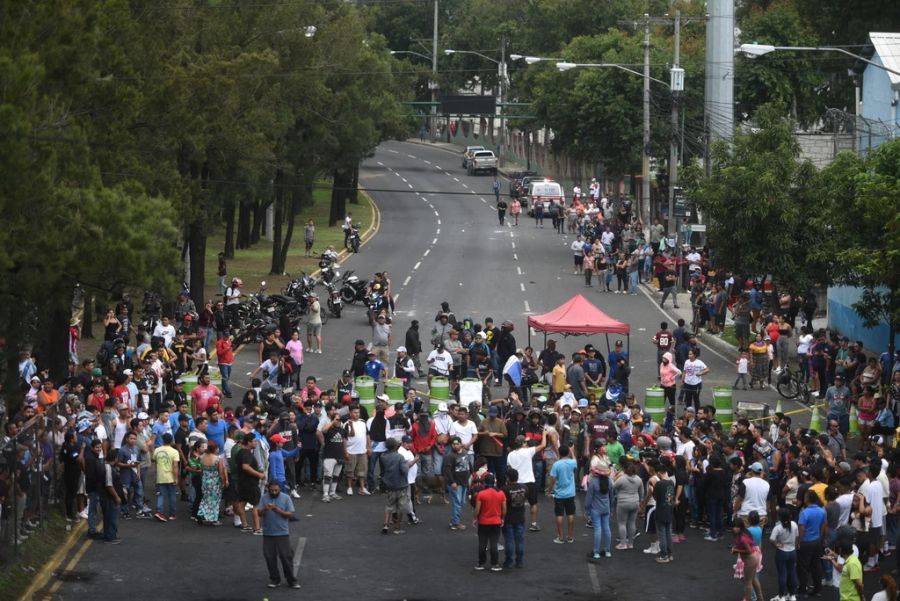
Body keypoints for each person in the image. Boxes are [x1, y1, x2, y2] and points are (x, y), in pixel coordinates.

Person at [258, 481, 301, 589]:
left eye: (276, 490)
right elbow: (259, 513)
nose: (273, 492)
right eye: (271, 490)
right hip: (268, 533)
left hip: (282, 532)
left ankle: (292, 580)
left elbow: (290, 514)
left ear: (279, 489)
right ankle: (275, 579)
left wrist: (278, 510)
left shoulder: (286, 498)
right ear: (268, 489)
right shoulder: (264, 498)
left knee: (286, 557)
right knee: (269, 557)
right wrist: (264, 509)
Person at [473, 472, 506, 572]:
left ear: (484, 482)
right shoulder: (501, 493)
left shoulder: (481, 494)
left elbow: (477, 510)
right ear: (494, 482)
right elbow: (504, 509)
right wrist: (502, 518)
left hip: (483, 522)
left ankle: (481, 563)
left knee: (482, 543)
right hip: (496, 521)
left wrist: (475, 518)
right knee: (494, 543)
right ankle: (495, 564)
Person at [797, 489, 826, 597]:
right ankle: (817, 589)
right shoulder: (822, 511)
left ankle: (803, 590)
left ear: (808, 499)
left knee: (803, 567)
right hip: (817, 540)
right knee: (816, 565)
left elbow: (801, 529)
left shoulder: (805, 512)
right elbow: (823, 526)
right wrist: (822, 538)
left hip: (806, 541)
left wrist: (798, 541)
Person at [546, 445, 578, 544]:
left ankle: (560, 537)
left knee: (559, 514)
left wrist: (549, 490)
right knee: (570, 514)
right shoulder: (572, 463)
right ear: (568, 452)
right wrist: (572, 451)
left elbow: (552, 479)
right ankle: (570, 536)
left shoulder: (556, 465)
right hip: (570, 493)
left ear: (559, 453)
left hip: (559, 493)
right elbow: (575, 459)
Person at [585, 465, 614, 560]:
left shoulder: (593, 482)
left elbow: (589, 498)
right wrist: (611, 509)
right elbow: (611, 497)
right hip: (606, 508)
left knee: (598, 529)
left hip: (595, 509)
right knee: (607, 528)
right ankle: (607, 550)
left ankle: (596, 552)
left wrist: (587, 510)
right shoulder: (609, 482)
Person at [769, 506, 799, 601]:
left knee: (782, 574)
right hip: (792, 552)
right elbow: (797, 536)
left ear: (780, 517)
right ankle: (792, 595)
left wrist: (777, 545)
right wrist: (796, 544)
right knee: (792, 572)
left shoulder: (778, 528)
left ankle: (781, 596)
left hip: (782, 553)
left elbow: (772, 539)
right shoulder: (794, 524)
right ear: (790, 516)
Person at [732, 517, 764, 601]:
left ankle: (749, 599)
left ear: (740, 527)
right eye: (734, 526)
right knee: (754, 579)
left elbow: (749, 550)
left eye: (737, 526)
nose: (735, 528)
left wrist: (736, 550)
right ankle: (760, 598)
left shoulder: (742, 537)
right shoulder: (745, 533)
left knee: (748, 583)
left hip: (750, 560)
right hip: (753, 558)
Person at [444, 436, 471, 531]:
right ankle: (455, 523)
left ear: (461, 444)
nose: (455, 446)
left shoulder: (465, 453)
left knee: (461, 503)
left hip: (464, 483)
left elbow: (469, 466)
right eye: (453, 444)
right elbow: (447, 470)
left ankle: (454, 520)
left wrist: (470, 479)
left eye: (457, 444)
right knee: (457, 503)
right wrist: (452, 482)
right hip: (456, 484)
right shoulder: (450, 456)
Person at [502, 467, 527, 569]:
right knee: (519, 540)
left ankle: (509, 561)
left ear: (507, 478)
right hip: (520, 517)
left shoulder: (504, 489)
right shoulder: (525, 488)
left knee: (509, 540)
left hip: (508, 518)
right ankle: (519, 561)